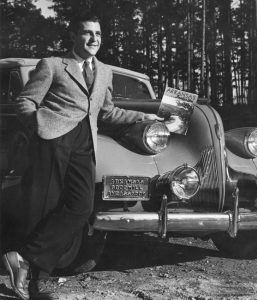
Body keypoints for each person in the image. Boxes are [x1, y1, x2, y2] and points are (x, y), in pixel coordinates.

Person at [2, 13, 163, 300]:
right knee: (45, 208)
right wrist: (38, 126)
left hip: (85, 142)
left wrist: (145, 115)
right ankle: (36, 283)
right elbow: (25, 101)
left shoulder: (104, 71)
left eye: (98, 34)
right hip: (52, 139)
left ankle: (23, 259)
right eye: (87, 33)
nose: (94, 39)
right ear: (74, 36)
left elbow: (107, 112)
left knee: (81, 207)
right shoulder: (52, 65)